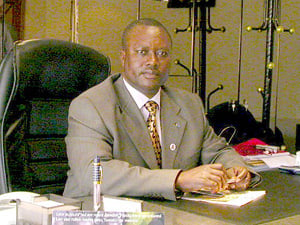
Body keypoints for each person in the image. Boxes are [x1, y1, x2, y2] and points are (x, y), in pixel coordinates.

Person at [63, 18, 261, 201]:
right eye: (142, 52)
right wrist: (177, 180)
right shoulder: (91, 105)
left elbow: (217, 151)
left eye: (162, 54)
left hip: (170, 212)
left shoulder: (188, 103)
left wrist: (236, 169)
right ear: (123, 57)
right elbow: (94, 173)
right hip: (99, 212)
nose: (153, 62)